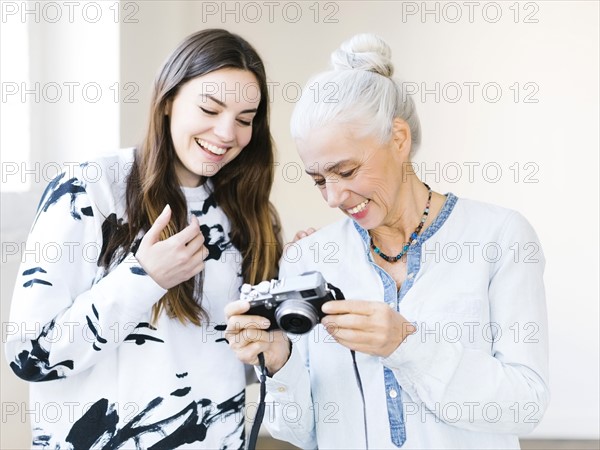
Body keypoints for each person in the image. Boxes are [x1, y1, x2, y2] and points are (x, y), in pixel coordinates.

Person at [225, 33, 549, 449]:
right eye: (320, 180)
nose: (334, 197)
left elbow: (525, 405)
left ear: (398, 139)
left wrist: (405, 343)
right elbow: (301, 433)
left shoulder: (499, 238)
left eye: (346, 171)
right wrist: (278, 360)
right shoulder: (310, 258)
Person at [5, 28, 282, 449]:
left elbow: (225, 362)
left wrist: (286, 311)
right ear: (168, 100)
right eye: (210, 108)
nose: (228, 133)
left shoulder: (249, 213)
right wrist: (143, 278)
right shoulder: (90, 189)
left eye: (245, 120)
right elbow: (30, 356)